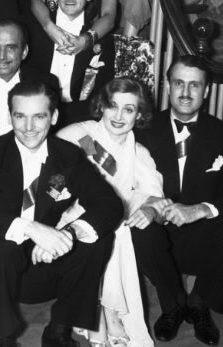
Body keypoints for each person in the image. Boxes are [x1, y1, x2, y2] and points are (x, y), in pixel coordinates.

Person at [0, 80, 124, 347]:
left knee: (98, 239)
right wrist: (32, 229)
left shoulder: (68, 155)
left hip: (44, 263)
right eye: (20, 116)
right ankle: (1, 337)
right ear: (10, 116)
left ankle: (59, 331)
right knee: (1, 250)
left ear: (54, 117)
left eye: (39, 116)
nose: (28, 126)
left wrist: (67, 234)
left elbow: (109, 204)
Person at [133, 56, 223, 346]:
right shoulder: (141, 131)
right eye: (179, 83)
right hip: (161, 236)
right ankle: (173, 304)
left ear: (206, 91)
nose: (186, 92)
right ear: (168, 86)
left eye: (195, 85)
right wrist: (152, 208)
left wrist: (202, 209)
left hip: (205, 236)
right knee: (138, 228)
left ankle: (199, 302)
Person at [58, 77, 165, 347]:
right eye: (112, 106)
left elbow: (157, 198)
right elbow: (51, 177)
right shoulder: (80, 134)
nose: (118, 116)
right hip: (69, 216)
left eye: (128, 109)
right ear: (102, 107)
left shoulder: (138, 153)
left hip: (111, 222)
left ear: (138, 114)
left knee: (115, 229)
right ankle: (105, 314)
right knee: (107, 226)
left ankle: (105, 312)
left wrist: (149, 208)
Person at [29, 0, 114, 125]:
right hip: (35, 116)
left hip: (81, 120)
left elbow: (101, 97)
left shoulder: (102, 40)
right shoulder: (35, 30)